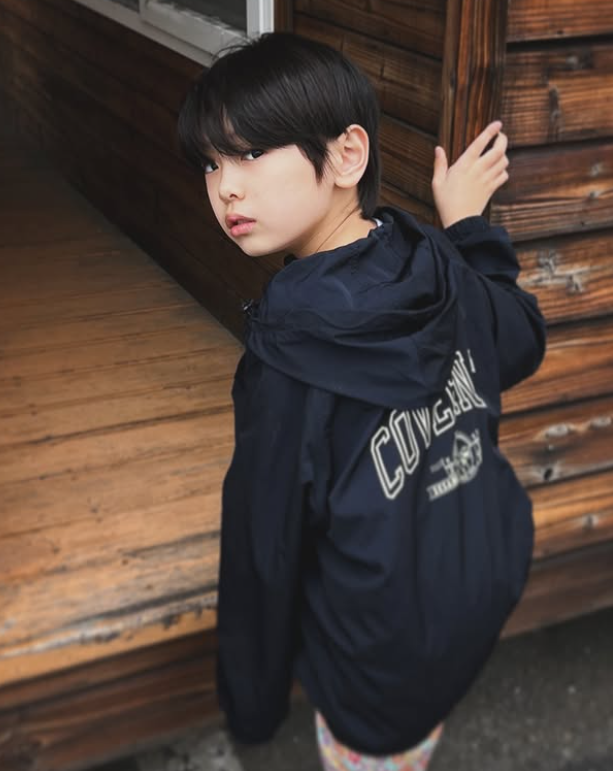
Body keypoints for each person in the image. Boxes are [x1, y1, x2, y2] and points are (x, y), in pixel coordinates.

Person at [177, 31, 546, 771]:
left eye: (251, 152)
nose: (226, 188)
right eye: (211, 163)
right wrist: (466, 227)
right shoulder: (433, 260)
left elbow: (265, 547)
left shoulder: (288, 362)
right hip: (476, 593)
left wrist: (252, 706)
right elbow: (517, 340)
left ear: (348, 155)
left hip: (375, 676)